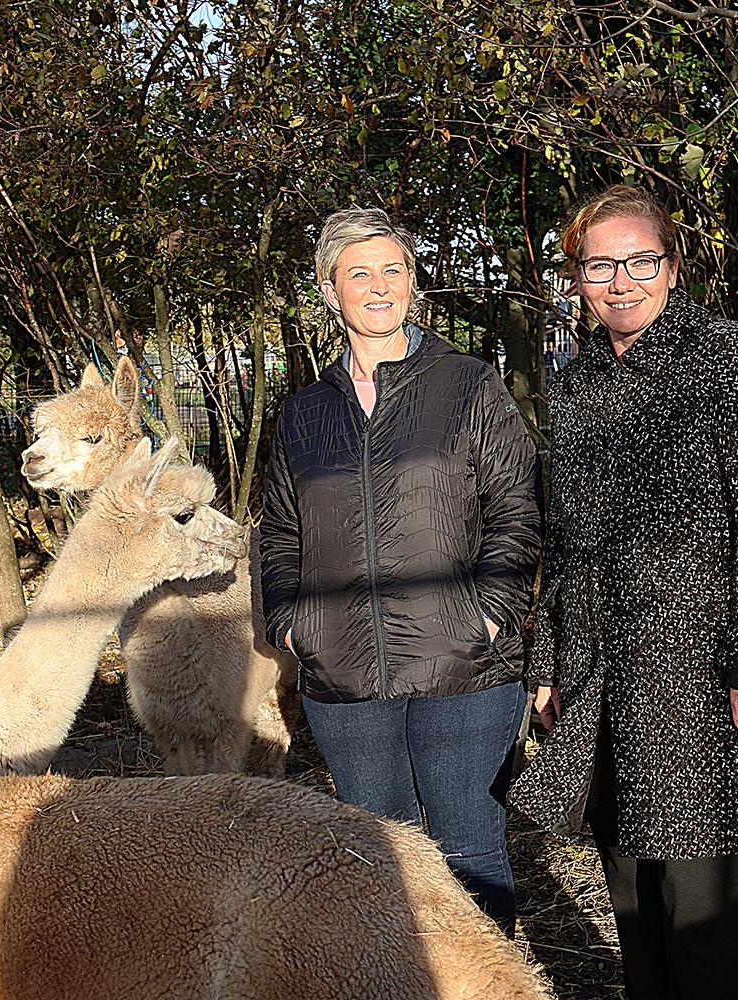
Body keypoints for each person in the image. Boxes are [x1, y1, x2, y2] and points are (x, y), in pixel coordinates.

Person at [259, 206, 541, 933]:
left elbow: (516, 508)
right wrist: (292, 626)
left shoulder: (468, 385)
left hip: (465, 671)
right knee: (376, 859)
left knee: (470, 853)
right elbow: (281, 532)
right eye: (359, 273)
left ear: (414, 284)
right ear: (330, 291)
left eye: (394, 270)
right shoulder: (303, 414)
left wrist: (488, 612)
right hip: (345, 680)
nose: (379, 287)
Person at [509, 184, 738, 999]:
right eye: (600, 263)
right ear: (576, 276)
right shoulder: (571, 392)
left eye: (642, 260)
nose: (622, 280)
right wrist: (549, 661)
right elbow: (564, 542)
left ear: (674, 267)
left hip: (697, 678)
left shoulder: (720, 359)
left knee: (702, 912)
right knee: (632, 896)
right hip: (601, 672)